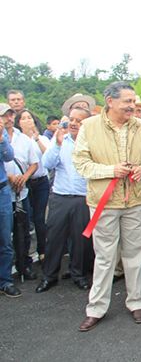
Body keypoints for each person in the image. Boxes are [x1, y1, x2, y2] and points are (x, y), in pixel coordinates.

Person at [73, 81, 141, 332]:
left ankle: (137, 301)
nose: (132, 105)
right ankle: (96, 308)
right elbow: (81, 164)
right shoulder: (89, 126)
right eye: (127, 101)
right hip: (103, 203)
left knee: (135, 254)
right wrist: (111, 171)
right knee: (105, 257)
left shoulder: (140, 126)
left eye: (133, 101)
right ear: (110, 101)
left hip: (136, 200)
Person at [35, 107, 93, 293]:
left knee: (80, 240)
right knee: (54, 238)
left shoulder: (91, 143)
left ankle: (79, 274)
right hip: (60, 197)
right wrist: (58, 145)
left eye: (79, 120)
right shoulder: (60, 140)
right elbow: (47, 164)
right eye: (71, 120)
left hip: (83, 198)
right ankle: (49, 276)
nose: (74, 124)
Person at [2, 104, 39, 280]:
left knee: (22, 232)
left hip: (20, 191)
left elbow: (34, 163)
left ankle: (23, 265)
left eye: (10, 116)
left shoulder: (23, 139)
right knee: (4, 235)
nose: (8, 119)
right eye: (4, 116)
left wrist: (23, 177)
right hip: (4, 188)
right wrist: (8, 176)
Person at [15, 109, 51, 261]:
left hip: (41, 181)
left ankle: (42, 250)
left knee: (39, 217)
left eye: (30, 117)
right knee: (25, 218)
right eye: (23, 118)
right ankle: (24, 255)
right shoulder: (17, 141)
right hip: (25, 183)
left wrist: (36, 139)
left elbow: (49, 156)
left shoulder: (42, 138)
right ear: (19, 122)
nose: (27, 120)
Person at [0, 104, 17, 298]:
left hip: (2, 191)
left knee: (5, 239)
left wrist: (1, 139)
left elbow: (8, 156)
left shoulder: (3, 135)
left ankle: (5, 280)